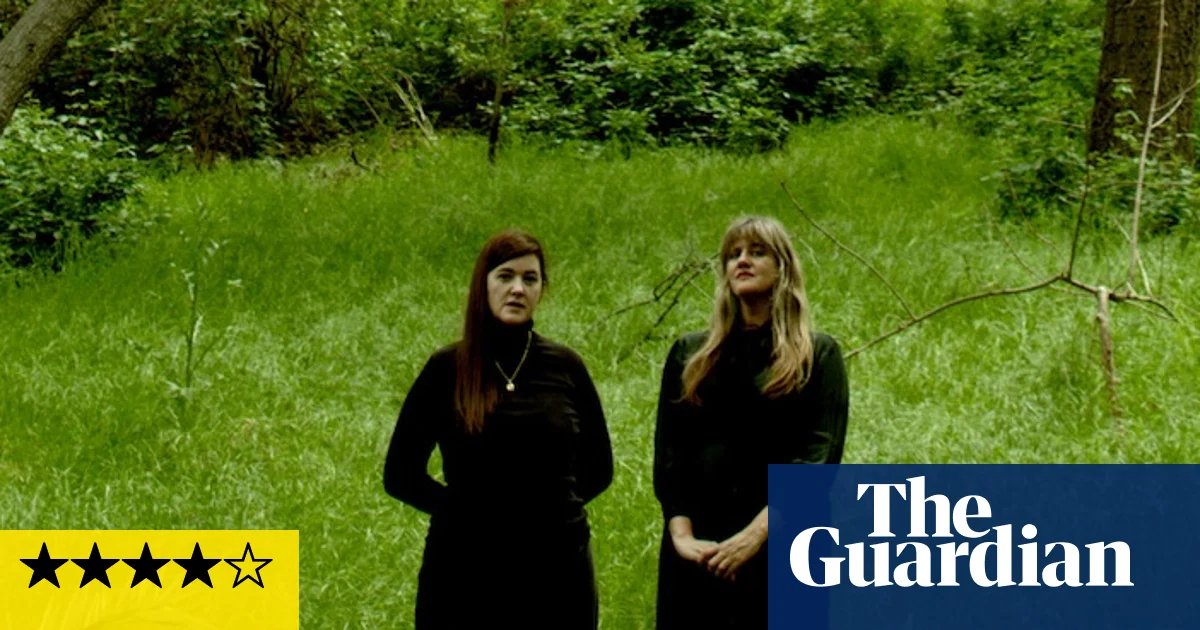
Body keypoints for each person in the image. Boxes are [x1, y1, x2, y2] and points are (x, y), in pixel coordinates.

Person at [383, 229, 613, 629]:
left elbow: (599, 468)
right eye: (505, 276)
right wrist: (468, 515)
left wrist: (548, 514)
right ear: (483, 284)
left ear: (542, 289)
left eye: (530, 278)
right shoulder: (447, 369)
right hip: (465, 570)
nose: (517, 289)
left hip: (558, 569)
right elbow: (400, 475)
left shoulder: (565, 366)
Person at [653, 215, 849, 629]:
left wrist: (754, 537)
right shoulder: (691, 355)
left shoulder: (817, 356)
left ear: (783, 269)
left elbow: (817, 461)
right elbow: (671, 456)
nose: (742, 260)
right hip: (700, 549)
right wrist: (682, 536)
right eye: (733, 254)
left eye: (757, 252)